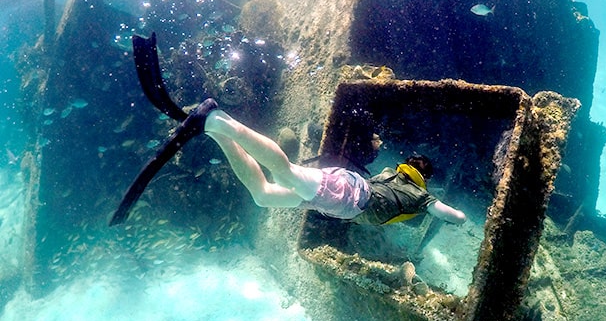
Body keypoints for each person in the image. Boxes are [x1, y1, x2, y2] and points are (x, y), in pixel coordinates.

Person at [175, 98, 467, 226]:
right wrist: (459, 218)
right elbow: (455, 216)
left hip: (341, 199)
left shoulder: (395, 175)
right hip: (347, 196)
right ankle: (220, 120)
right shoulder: (420, 196)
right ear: (423, 178)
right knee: (286, 171)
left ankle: (216, 134)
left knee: (263, 196)